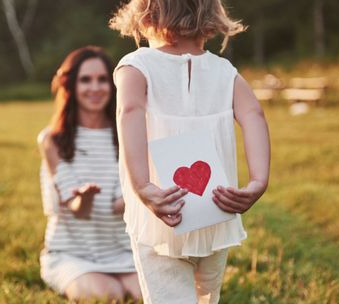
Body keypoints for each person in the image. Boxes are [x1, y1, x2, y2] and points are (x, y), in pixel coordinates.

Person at [110, 0, 271, 303]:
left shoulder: (137, 66)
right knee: (208, 297)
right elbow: (254, 116)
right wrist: (257, 181)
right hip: (214, 209)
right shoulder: (225, 71)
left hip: (162, 209)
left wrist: (144, 186)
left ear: (145, 15)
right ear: (212, 15)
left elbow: (129, 112)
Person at [37, 46, 141, 302]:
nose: (95, 88)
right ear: (71, 85)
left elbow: (119, 206)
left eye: (102, 79)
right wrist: (84, 197)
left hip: (123, 252)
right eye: (86, 80)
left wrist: (147, 191)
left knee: (148, 295)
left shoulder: (126, 135)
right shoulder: (52, 140)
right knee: (108, 295)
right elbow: (78, 210)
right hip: (72, 254)